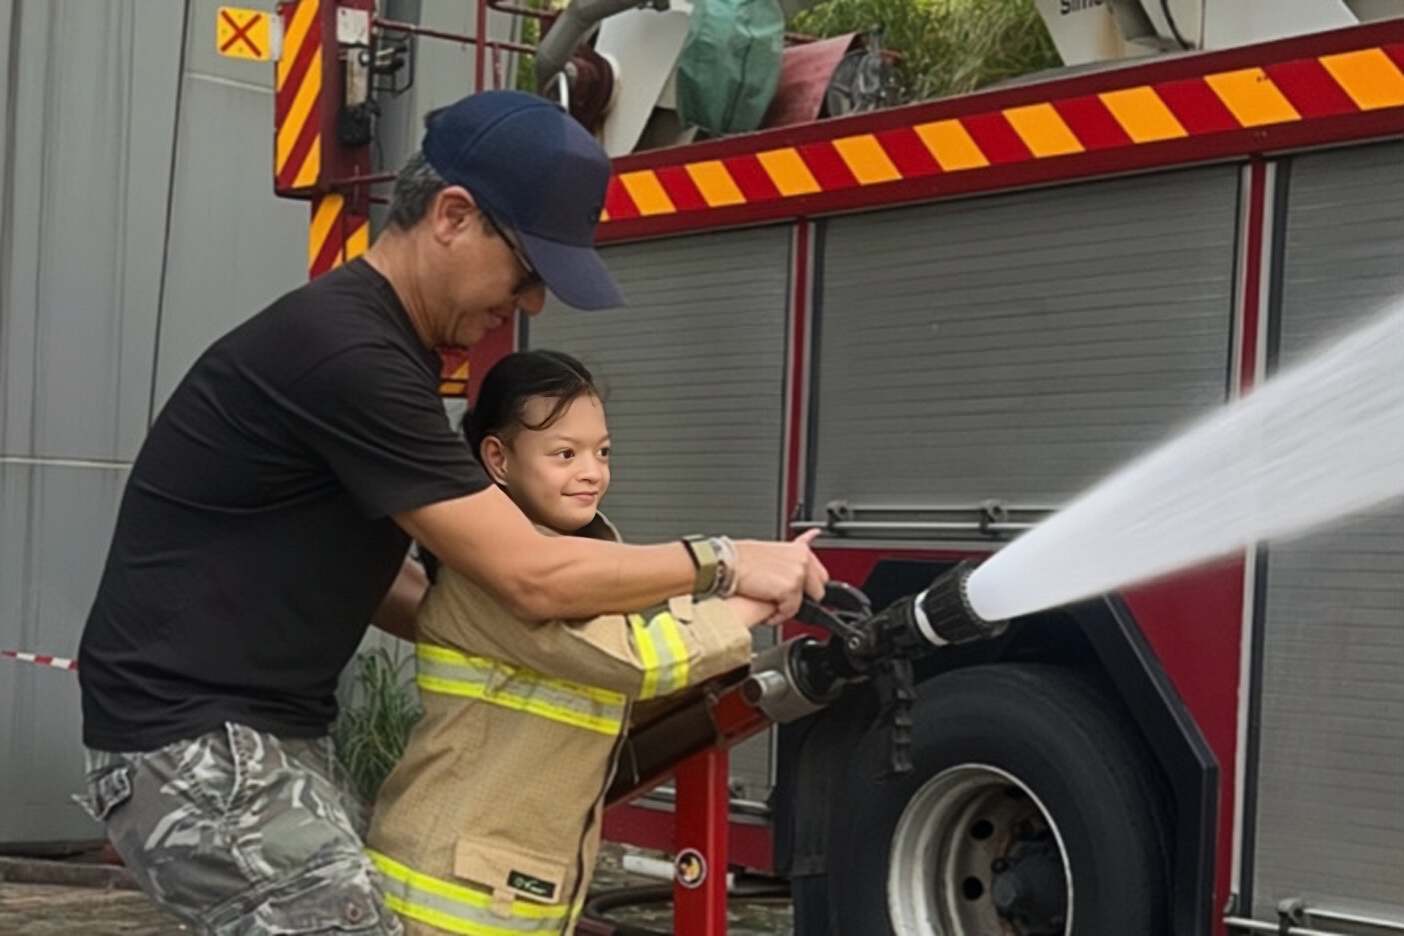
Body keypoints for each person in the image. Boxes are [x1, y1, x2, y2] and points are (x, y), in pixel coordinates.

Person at [75, 90, 826, 934]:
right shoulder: (351, 354)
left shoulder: (379, 351)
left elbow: (398, 585)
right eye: (529, 268)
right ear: (453, 216)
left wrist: (491, 632)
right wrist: (726, 560)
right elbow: (531, 574)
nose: (533, 302)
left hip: (248, 736)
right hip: (195, 744)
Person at [367, 350, 771, 936]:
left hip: (499, 898)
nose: (592, 472)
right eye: (565, 454)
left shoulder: (572, 566)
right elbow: (632, 659)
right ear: (497, 459)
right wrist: (751, 596)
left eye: (602, 452)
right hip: (445, 903)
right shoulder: (499, 578)